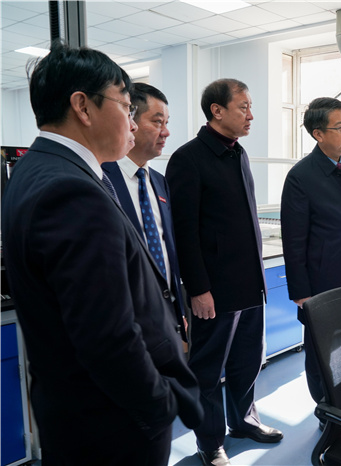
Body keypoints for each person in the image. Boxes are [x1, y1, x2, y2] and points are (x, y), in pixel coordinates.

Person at [0, 43, 203, 465]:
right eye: (126, 106)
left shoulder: (39, 169)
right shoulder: (70, 190)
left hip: (80, 413)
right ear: (83, 107)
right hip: (112, 424)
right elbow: (106, 336)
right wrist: (159, 406)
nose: (132, 122)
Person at [165, 78, 282, 466]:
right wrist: (198, 288)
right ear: (217, 111)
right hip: (215, 290)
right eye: (243, 107)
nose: (251, 115)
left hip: (249, 284)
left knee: (248, 360)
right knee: (208, 369)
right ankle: (210, 440)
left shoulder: (239, 154)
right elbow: (183, 232)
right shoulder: (188, 159)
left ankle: (244, 421)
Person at [280, 97, 341, 407]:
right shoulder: (301, 176)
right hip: (324, 285)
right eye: (339, 127)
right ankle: (327, 412)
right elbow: (293, 240)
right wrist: (301, 293)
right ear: (318, 134)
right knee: (323, 354)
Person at [102, 83, 188, 344]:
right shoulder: (102, 179)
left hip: (167, 316)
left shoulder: (159, 182)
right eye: (157, 122)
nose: (166, 132)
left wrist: (179, 309)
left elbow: (167, 247)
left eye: (167, 123)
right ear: (131, 121)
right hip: (127, 320)